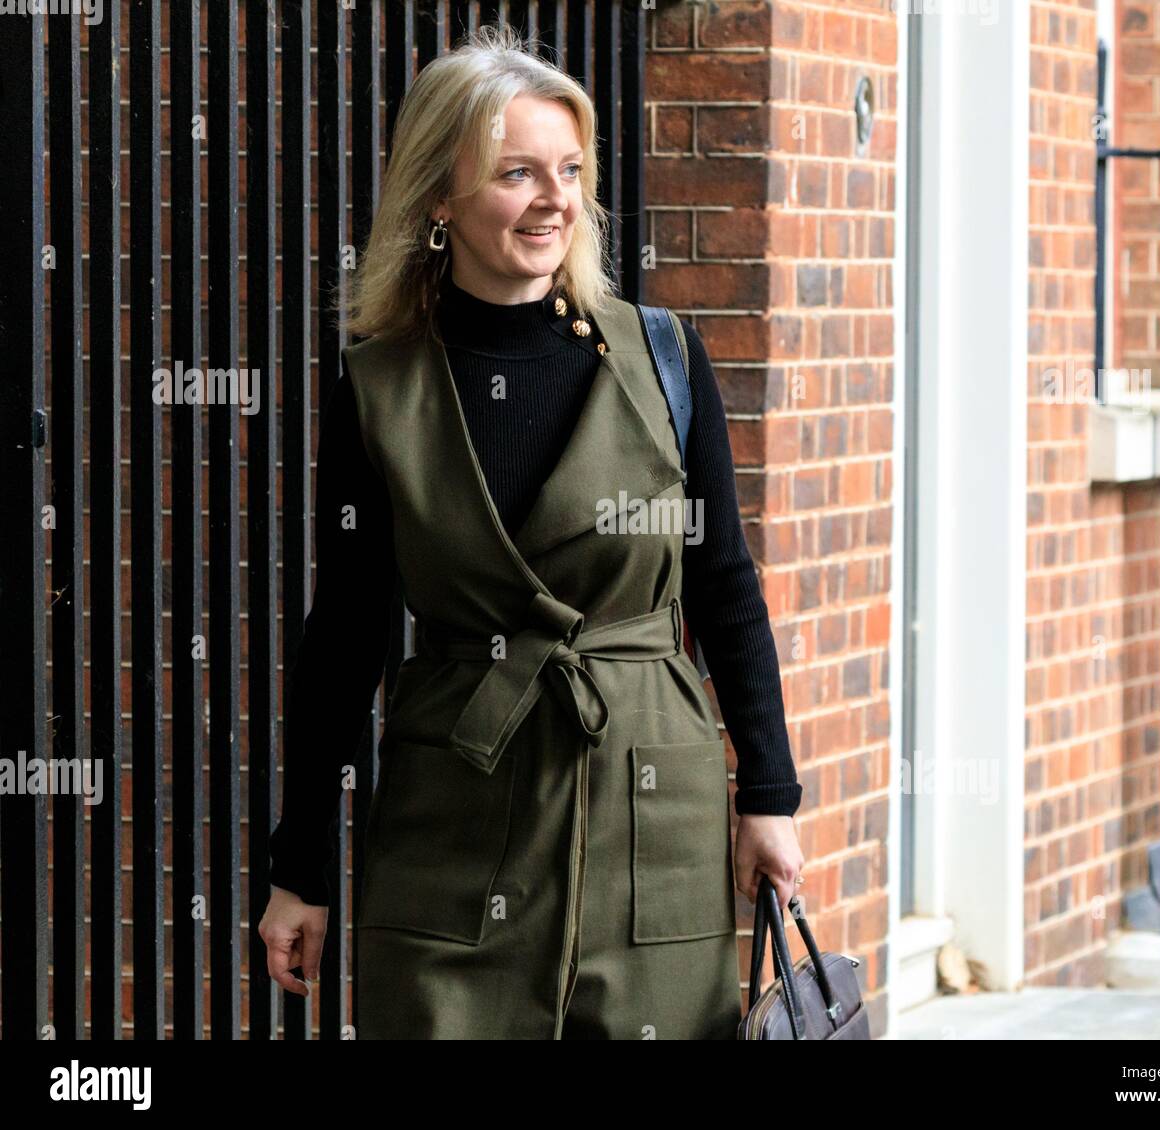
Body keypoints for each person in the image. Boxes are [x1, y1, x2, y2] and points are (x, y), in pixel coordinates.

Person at [258, 24, 803, 1039]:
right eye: (517, 172)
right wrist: (300, 872)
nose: (556, 198)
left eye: (568, 169)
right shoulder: (380, 387)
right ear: (437, 198)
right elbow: (345, 633)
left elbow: (723, 584)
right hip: (456, 805)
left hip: (652, 809)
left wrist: (767, 793)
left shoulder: (664, 359)